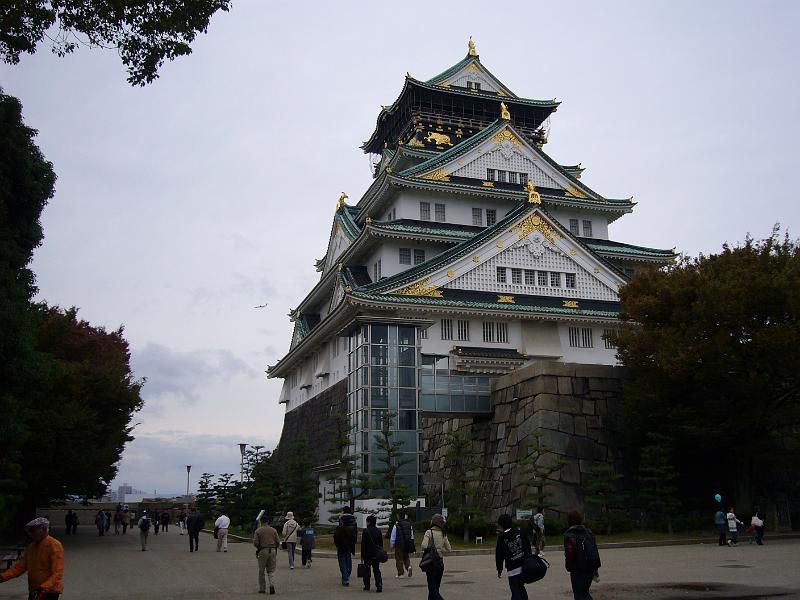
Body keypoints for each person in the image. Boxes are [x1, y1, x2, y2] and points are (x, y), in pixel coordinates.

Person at [0, 518, 64, 599]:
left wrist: (43, 587)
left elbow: (57, 572)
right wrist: (3, 576)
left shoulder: (54, 545)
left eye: (33, 530)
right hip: (35, 589)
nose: (31, 533)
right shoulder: (32, 546)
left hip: (49, 591)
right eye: (30, 531)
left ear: (44, 529)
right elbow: (20, 567)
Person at [564, 510, 600, 600]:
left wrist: (569, 566)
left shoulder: (569, 535)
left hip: (577, 569)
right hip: (590, 567)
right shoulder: (589, 532)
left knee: (579, 594)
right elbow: (594, 549)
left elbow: (570, 554)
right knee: (585, 592)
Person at [496, 514, 531, 600]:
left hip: (512, 570)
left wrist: (499, 569)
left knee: (515, 591)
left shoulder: (502, 538)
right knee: (521, 588)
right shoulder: (520, 531)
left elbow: (499, 556)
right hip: (524, 567)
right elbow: (527, 545)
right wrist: (529, 557)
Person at [421, 513, 451, 600]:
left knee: (432, 589)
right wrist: (440, 550)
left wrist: (431, 549)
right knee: (436, 588)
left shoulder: (429, 532)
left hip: (430, 563)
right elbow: (449, 549)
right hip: (440, 563)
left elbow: (424, 545)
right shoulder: (443, 533)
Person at [254, 514, 280, 594]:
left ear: (261, 521)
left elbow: (256, 543)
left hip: (263, 550)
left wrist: (259, 547)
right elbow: (278, 541)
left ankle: (262, 588)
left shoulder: (258, 531)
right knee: (271, 570)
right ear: (268, 521)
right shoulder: (273, 530)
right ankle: (272, 585)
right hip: (272, 550)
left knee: (261, 570)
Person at [334, 506, 358, 586]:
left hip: (341, 546)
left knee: (342, 561)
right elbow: (355, 534)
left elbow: (336, 536)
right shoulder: (354, 521)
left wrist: (337, 545)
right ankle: (347, 573)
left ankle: (345, 578)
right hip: (349, 544)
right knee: (348, 559)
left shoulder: (340, 524)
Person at [360, 514, 384, 593]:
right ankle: (379, 584)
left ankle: (367, 586)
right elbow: (381, 543)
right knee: (376, 570)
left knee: (367, 569)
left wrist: (362, 555)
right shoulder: (378, 531)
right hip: (376, 554)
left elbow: (363, 544)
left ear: (369, 522)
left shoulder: (366, 531)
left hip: (367, 554)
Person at [390, 511, 414, 578]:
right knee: (406, 557)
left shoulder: (396, 525)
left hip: (399, 544)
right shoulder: (409, 524)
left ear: (398, 516)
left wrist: (392, 545)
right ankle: (408, 566)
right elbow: (411, 535)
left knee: (399, 558)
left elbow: (393, 536)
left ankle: (400, 573)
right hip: (407, 543)